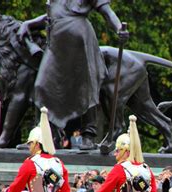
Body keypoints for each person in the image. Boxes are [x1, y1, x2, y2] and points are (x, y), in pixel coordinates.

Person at [17, 0, 129, 149]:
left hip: (79, 41)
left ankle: (88, 135)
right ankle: (44, 135)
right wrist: (29, 23)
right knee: (42, 85)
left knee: (85, 86)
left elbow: (107, 12)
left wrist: (119, 28)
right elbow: (53, 15)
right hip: (57, 45)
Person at [88, 116, 156, 192]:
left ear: (126, 152)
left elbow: (104, 190)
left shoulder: (120, 168)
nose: (115, 153)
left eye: (118, 150)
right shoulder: (147, 169)